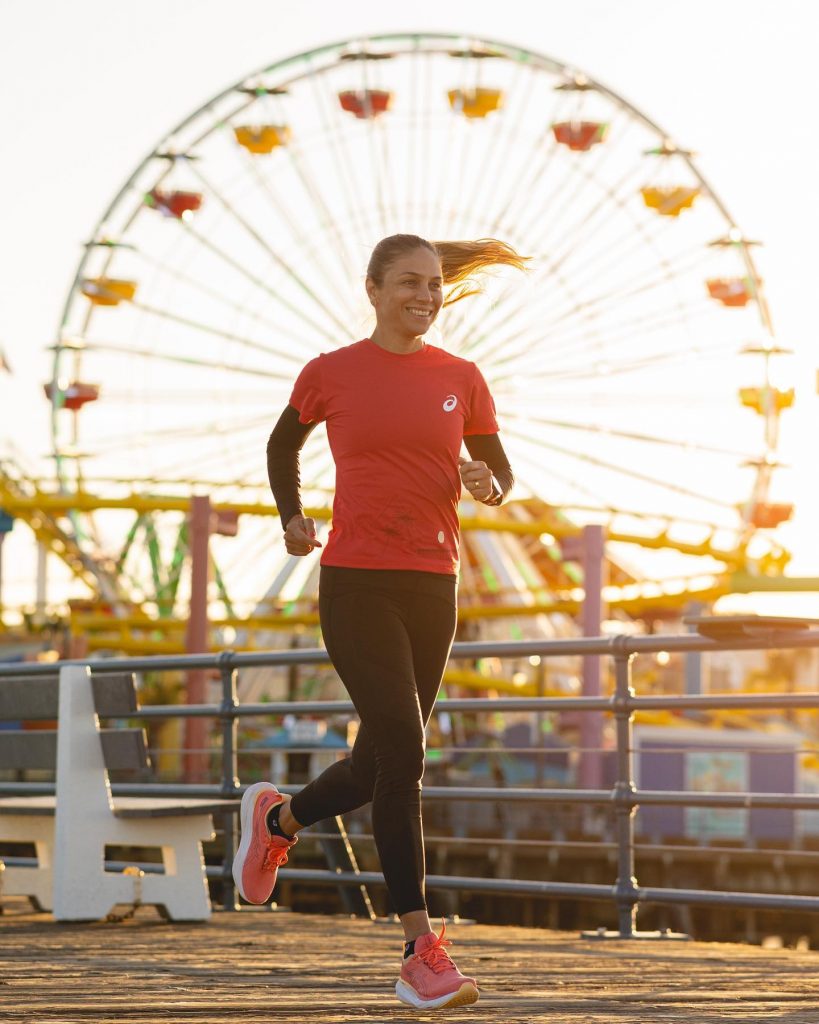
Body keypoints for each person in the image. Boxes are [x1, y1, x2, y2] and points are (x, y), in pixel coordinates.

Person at [233, 233, 524, 1011]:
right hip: (356, 582)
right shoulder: (330, 373)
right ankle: (418, 952)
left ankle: (279, 817)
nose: (425, 296)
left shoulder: (461, 379)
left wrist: (483, 483)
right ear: (371, 289)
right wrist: (292, 516)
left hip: (434, 585)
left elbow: (499, 477)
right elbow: (281, 443)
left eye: (433, 284)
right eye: (408, 283)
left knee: (376, 766)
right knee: (407, 751)